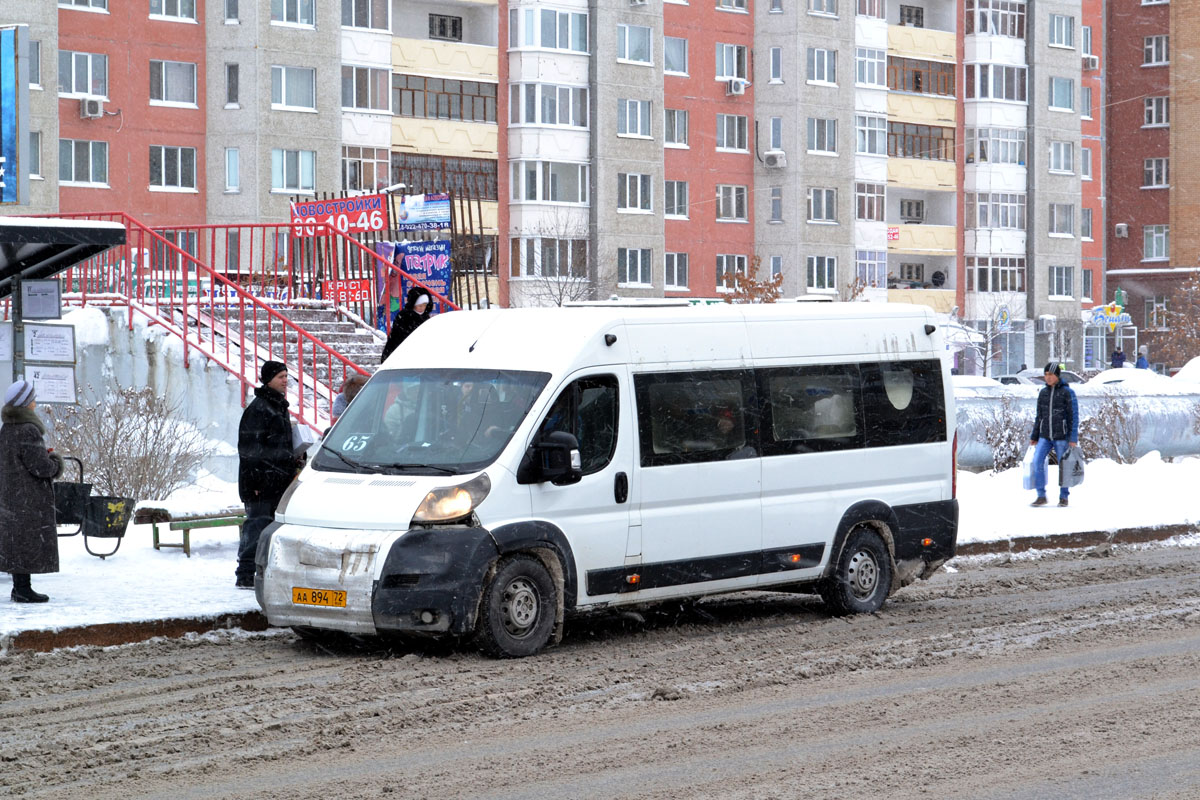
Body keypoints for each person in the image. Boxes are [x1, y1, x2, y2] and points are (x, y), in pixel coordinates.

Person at [236, 361, 298, 588]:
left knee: (268, 527)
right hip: (261, 483)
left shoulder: (278, 406)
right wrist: (255, 482)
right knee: (256, 527)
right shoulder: (260, 408)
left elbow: (277, 446)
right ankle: (245, 574)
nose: (285, 380)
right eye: (281, 376)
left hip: (278, 480)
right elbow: (249, 450)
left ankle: (262, 571)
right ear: (269, 379)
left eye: (286, 376)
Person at [0, 380, 63, 603]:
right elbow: (41, 468)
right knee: (25, 541)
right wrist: (55, 461)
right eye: (32, 399)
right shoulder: (28, 430)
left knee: (17, 542)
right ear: (25, 403)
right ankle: (22, 589)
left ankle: (21, 587)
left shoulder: (8, 428)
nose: (35, 403)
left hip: (12, 495)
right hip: (28, 498)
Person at [1029, 362, 1079, 508]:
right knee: (1037, 461)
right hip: (1045, 435)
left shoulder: (1067, 392)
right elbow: (1039, 416)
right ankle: (1041, 495)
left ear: (1057, 375)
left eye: (1050, 375)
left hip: (1061, 436)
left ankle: (1064, 496)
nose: (1048, 378)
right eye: (1046, 375)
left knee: (1064, 466)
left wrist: (1073, 438)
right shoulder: (1043, 393)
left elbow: (1073, 416)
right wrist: (1034, 436)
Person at [380, 288, 431, 363]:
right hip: (403, 355)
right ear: (413, 304)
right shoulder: (404, 316)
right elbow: (395, 338)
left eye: (424, 305)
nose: (422, 308)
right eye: (419, 306)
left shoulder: (425, 318)